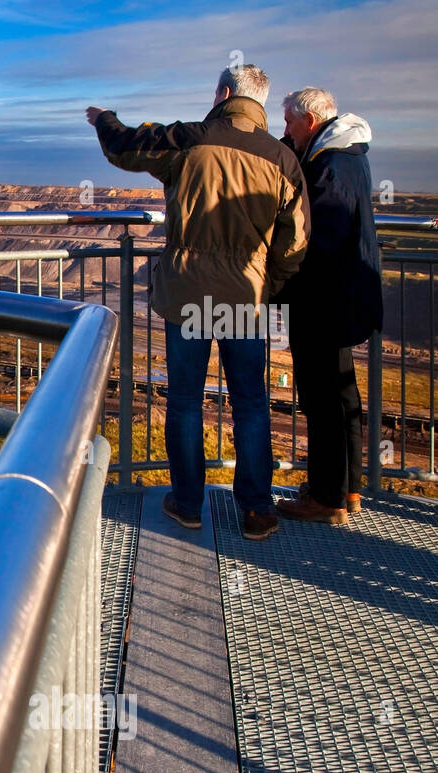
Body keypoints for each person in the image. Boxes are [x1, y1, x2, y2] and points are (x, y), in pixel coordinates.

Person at [87, 64, 308, 540]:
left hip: (187, 295)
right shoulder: (283, 159)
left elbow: (126, 146)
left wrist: (104, 118)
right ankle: (256, 509)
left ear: (225, 93)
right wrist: (269, 284)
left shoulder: (189, 139)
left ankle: (187, 503)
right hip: (245, 299)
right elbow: (295, 244)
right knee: (250, 404)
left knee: (186, 401)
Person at [273, 88, 381, 524]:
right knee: (341, 393)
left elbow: (319, 241)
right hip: (344, 297)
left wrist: (280, 280)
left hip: (324, 301)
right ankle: (348, 488)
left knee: (321, 399)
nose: (286, 130)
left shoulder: (329, 166)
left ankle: (326, 498)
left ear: (310, 122)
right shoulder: (348, 154)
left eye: (289, 123)